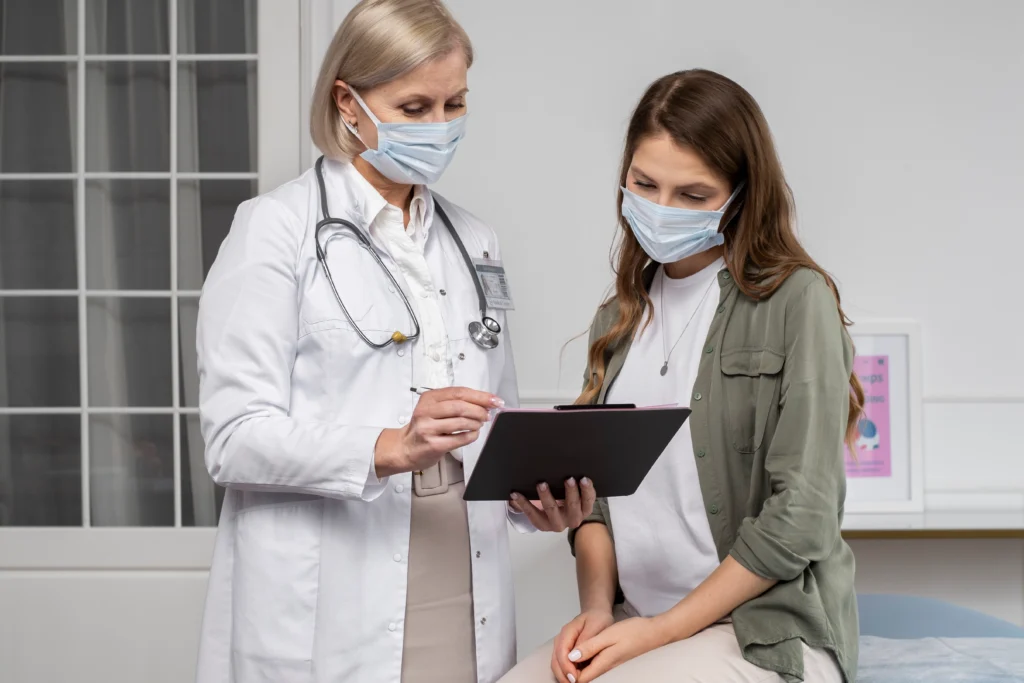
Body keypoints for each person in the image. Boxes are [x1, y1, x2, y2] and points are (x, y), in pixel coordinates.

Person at [193, 2, 594, 682]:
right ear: (348, 102)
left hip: (461, 562)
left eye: (454, 104)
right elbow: (234, 437)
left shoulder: (475, 242)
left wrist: (537, 499)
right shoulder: (275, 230)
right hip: (335, 578)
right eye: (414, 107)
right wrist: (391, 445)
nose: (439, 127)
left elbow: (493, 414)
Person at [500, 69, 861, 683]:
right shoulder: (618, 317)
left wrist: (661, 632)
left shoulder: (798, 302)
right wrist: (596, 613)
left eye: (693, 195)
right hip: (636, 620)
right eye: (644, 185)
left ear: (741, 195)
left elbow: (802, 515)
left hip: (759, 631)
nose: (662, 210)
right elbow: (597, 505)